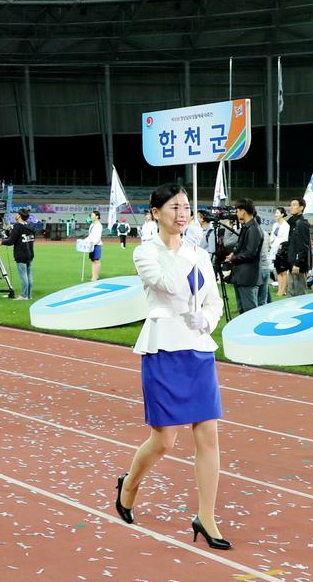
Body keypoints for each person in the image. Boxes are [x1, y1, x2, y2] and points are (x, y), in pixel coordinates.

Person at [115, 183, 229, 550]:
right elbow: (168, 286)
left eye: (186, 207)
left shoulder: (199, 254)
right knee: (164, 440)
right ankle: (129, 484)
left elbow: (213, 302)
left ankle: (207, 517)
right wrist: (186, 253)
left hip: (197, 350)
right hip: (163, 349)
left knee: (208, 435)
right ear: (155, 213)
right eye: (174, 207)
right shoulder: (146, 253)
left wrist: (207, 322)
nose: (182, 213)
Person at [223, 198, 262, 315]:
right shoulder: (247, 227)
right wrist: (233, 254)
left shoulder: (253, 229)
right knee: (243, 312)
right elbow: (241, 247)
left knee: (250, 313)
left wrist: (233, 258)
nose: (236, 213)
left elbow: (250, 253)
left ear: (243, 211)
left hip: (248, 277)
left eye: (237, 211)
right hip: (242, 275)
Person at [2, 207, 36, 300]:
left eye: (17, 214)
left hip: (21, 254)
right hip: (30, 253)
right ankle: (29, 295)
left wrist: (1, 242)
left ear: (19, 216)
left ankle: (24, 295)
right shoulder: (30, 227)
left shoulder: (18, 227)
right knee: (29, 276)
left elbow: (11, 241)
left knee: (24, 276)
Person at [286, 197, 312, 297]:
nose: (291, 207)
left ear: (301, 208)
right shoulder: (291, 223)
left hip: (298, 265)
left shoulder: (302, 223)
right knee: (291, 294)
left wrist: (298, 263)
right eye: (290, 205)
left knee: (300, 295)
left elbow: (303, 246)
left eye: (294, 205)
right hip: (291, 263)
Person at [269, 206, 290, 297]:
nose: (275, 215)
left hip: (282, 250)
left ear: (282, 214)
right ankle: (279, 289)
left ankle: (283, 289)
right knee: (277, 270)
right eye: (275, 213)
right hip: (274, 248)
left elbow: (285, 238)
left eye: (277, 213)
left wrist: (280, 247)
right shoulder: (274, 225)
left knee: (283, 271)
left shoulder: (286, 225)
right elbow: (272, 237)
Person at [84, 210, 104, 281]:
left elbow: (98, 237)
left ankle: (95, 276)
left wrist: (93, 243)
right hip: (91, 245)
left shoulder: (99, 226)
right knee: (93, 261)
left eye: (92, 215)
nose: (91, 217)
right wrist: (84, 241)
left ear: (97, 216)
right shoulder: (92, 225)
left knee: (97, 261)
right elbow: (90, 236)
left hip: (96, 245)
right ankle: (94, 276)